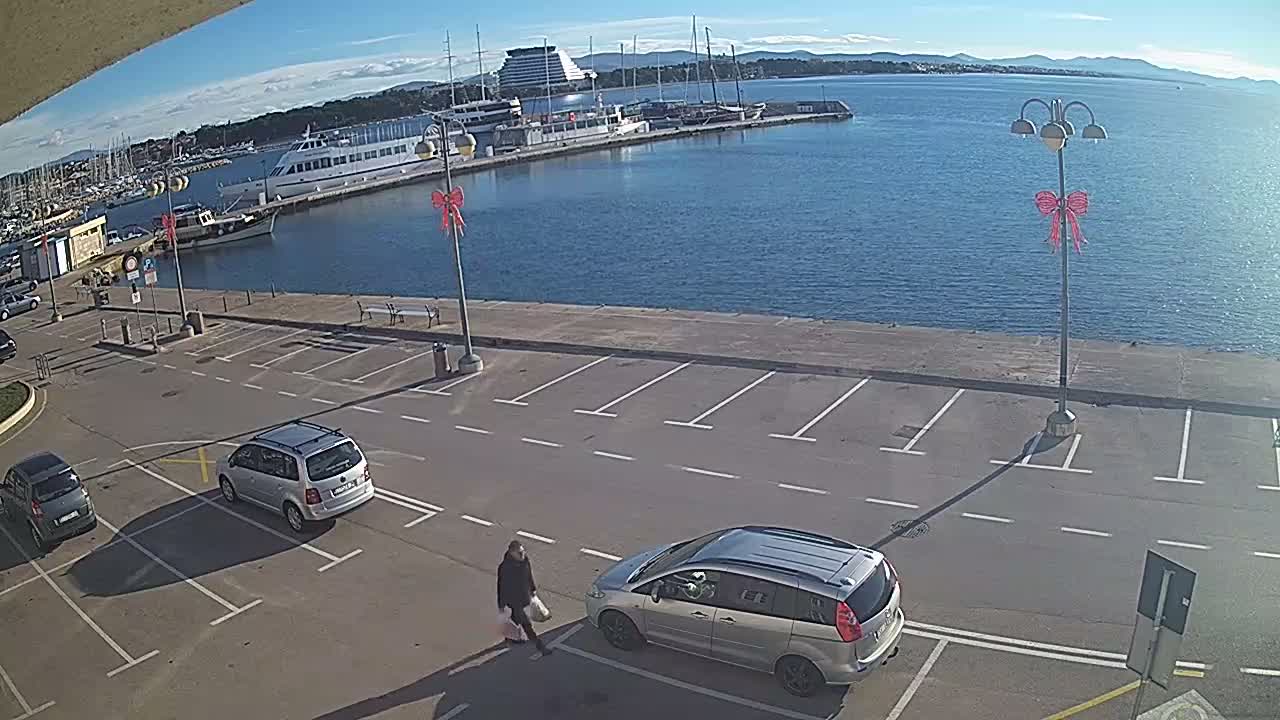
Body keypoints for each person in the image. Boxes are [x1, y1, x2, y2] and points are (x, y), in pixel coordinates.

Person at [497, 540, 550, 654]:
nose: (522, 554)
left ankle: (510, 637)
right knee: (527, 625)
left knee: (515, 619)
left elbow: (529, 575)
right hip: (514, 600)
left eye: (522, 551)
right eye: (519, 553)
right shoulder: (505, 567)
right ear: (511, 553)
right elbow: (501, 587)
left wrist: (533, 589)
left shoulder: (525, 561)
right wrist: (501, 604)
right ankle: (541, 647)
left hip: (525, 596)